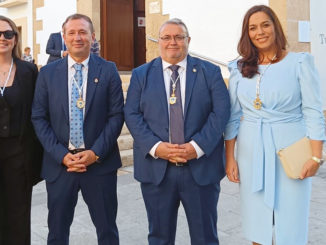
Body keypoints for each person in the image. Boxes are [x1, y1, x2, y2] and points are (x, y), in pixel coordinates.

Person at [225, 5, 325, 245]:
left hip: (290, 149)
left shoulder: (300, 62)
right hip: (251, 151)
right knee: (256, 219)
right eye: (253, 27)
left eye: (265, 25)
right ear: (247, 33)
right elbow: (232, 117)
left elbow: (313, 112)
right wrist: (230, 157)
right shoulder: (239, 68)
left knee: (290, 220)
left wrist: (315, 157)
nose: (260, 32)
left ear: (275, 27)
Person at [124, 18, 230, 245]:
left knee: (205, 237)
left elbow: (221, 113)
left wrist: (196, 147)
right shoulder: (141, 75)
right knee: (159, 237)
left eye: (179, 37)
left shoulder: (209, 72)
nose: (173, 42)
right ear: (158, 42)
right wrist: (156, 147)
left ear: (188, 41)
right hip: (157, 171)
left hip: (200, 170)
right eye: (166, 37)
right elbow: (132, 114)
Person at [32, 14, 124, 245]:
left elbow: (116, 116)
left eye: (83, 32)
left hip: (99, 164)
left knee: (107, 231)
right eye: (71, 33)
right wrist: (60, 155)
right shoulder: (47, 73)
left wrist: (95, 153)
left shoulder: (109, 70)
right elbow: (39, 117)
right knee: (57, 233)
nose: (77, 37)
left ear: (93, 37)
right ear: (63, 37)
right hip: (60, 166)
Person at [0, 15, 43, 245]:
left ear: (15, 39)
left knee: (18, 212)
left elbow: (38, 111)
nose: (3, 38)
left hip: (19, 153)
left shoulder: (28, 71)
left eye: (8, 34)